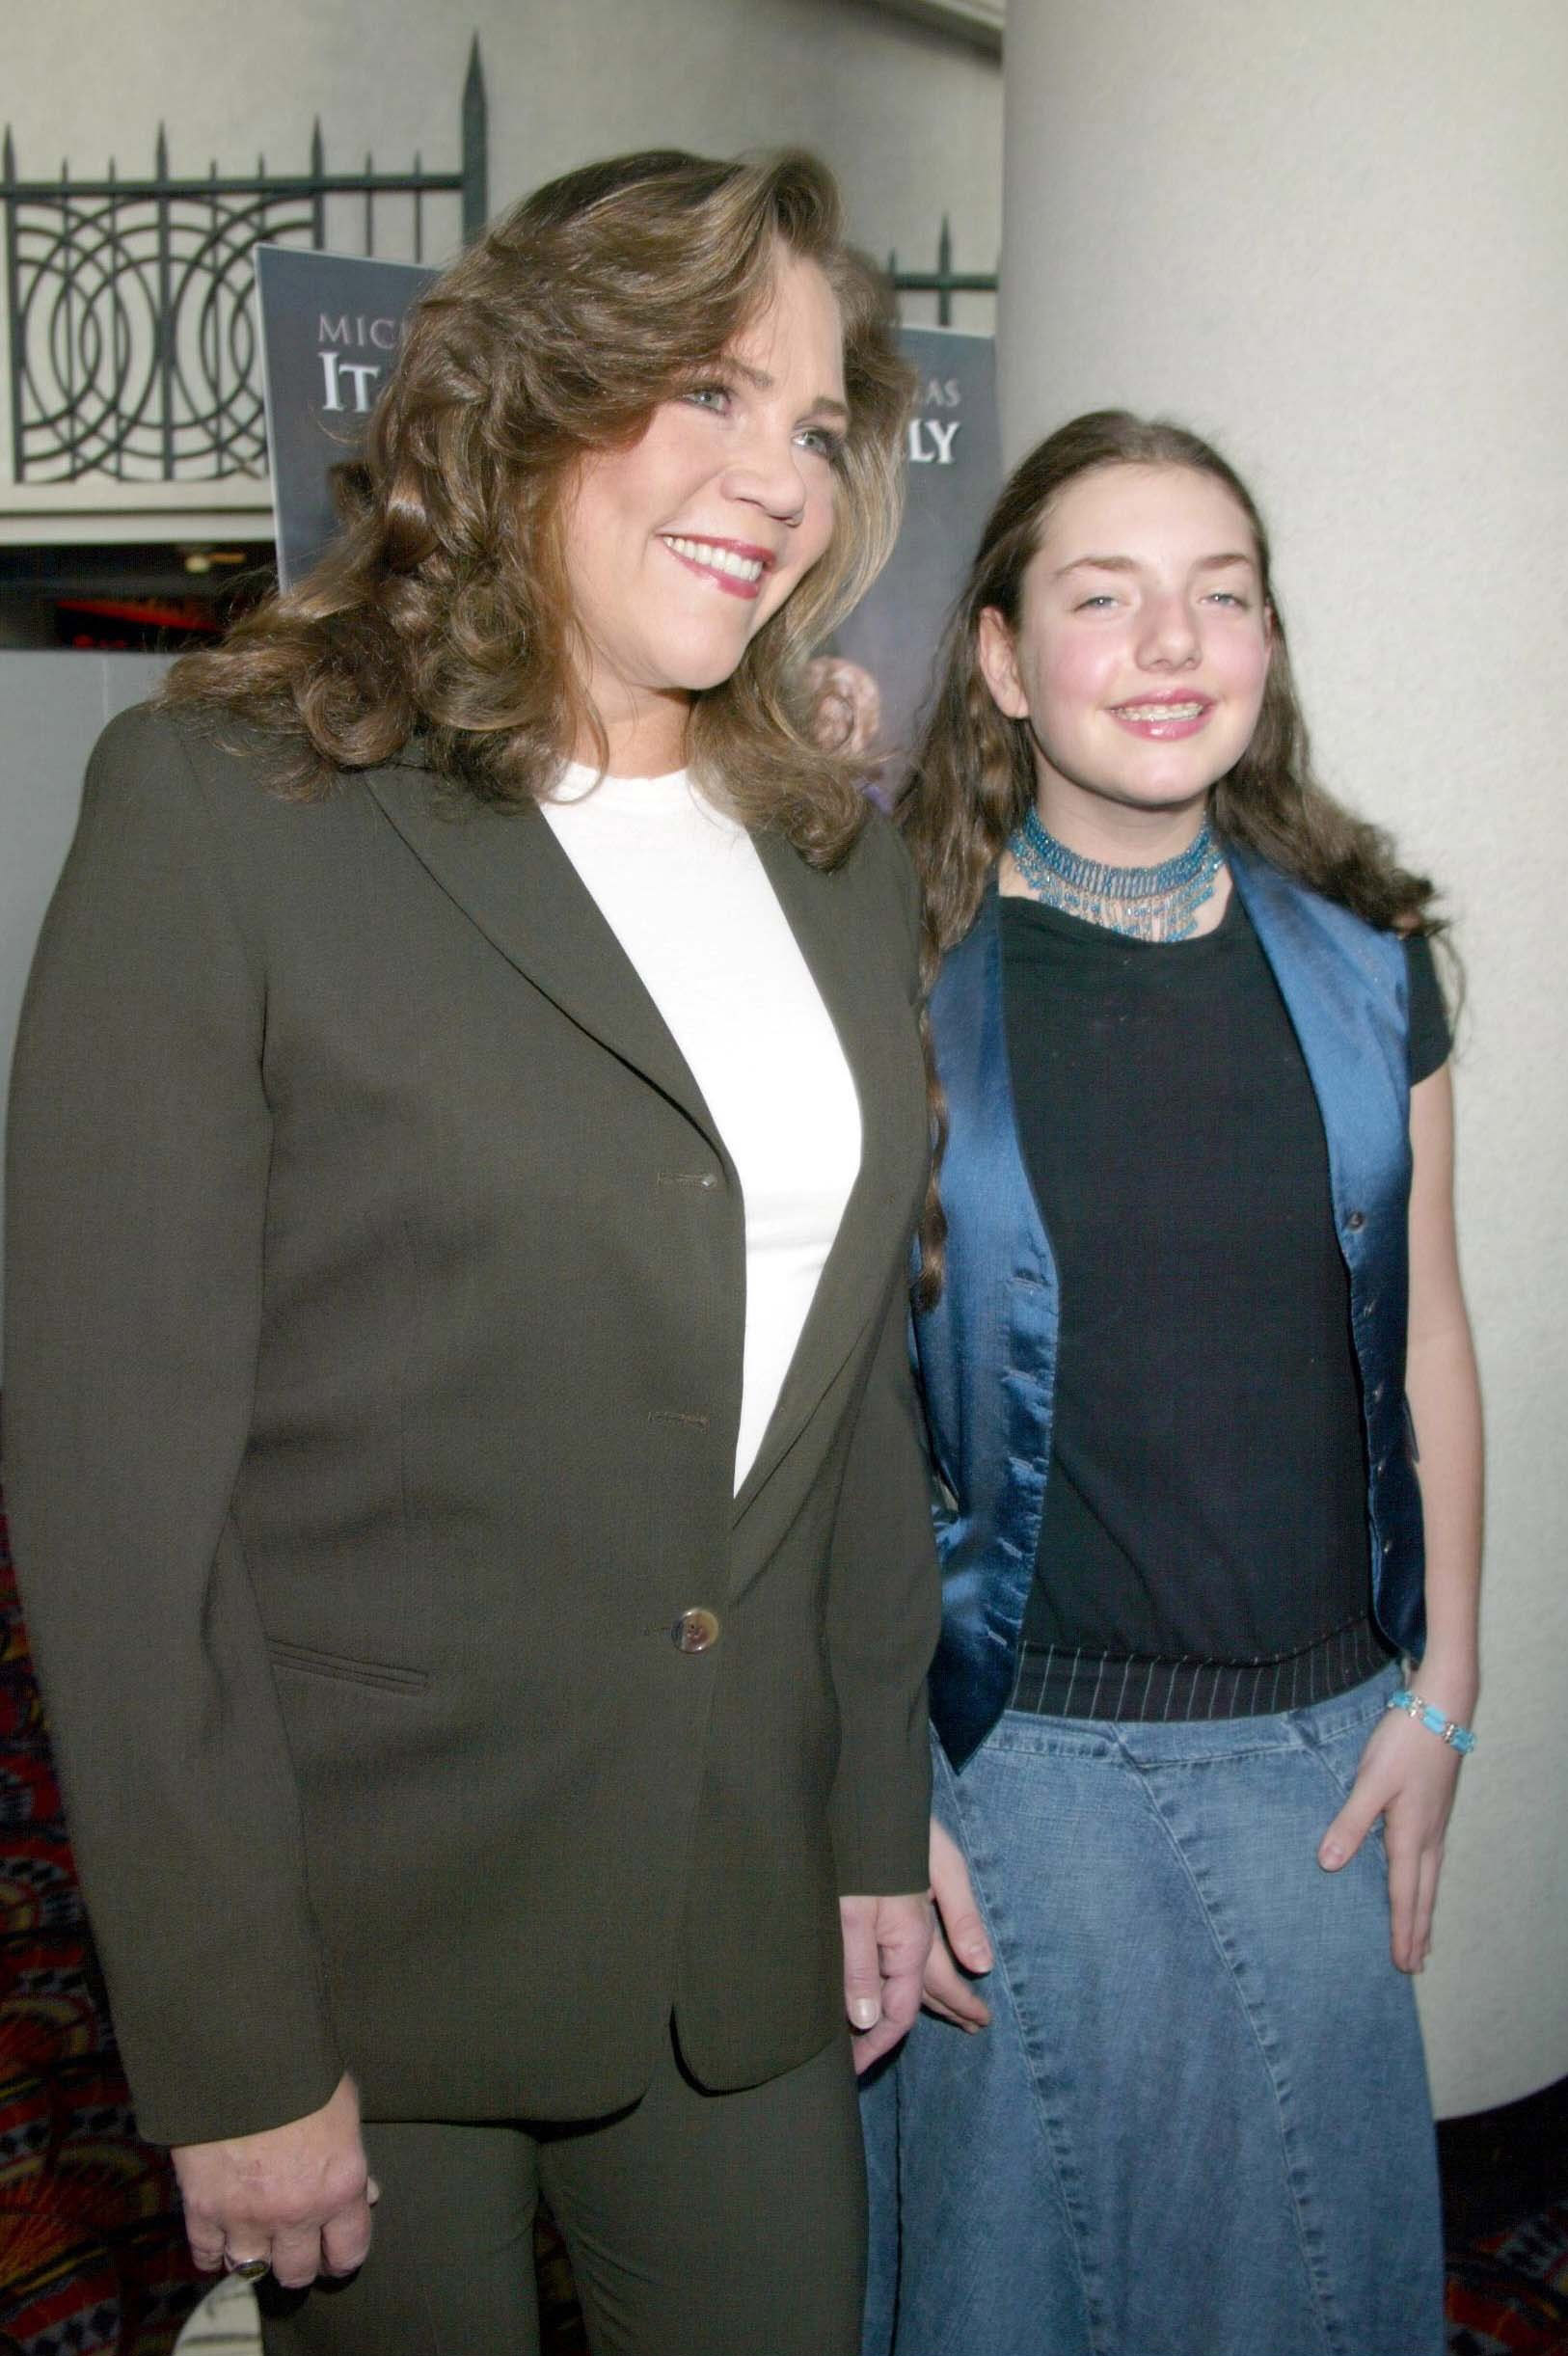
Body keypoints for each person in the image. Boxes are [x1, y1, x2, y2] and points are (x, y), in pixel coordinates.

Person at [3, 149, 942, 2356]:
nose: (777, 480)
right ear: (529, 392)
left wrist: (871, 1815)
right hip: (366, 1947)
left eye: (815, 426)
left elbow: (849, 1395)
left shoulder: (828, 855)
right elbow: (123, 1513)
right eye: (711, 391)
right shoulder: (231, 805)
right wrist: (231, 2041)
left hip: (738, 1919)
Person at [862, 411, 1482, 2356]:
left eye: (1221, 597)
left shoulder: (1375, 969)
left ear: (1269, 651)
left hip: (1319, 1765)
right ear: (997, 657)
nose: (1168, 644)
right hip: (1009, 1773)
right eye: (1102, 596)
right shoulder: (892, 966)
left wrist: (1447, 1694)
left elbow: (1434, 1332)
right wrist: (867, 1787)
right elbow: (820, 1424)